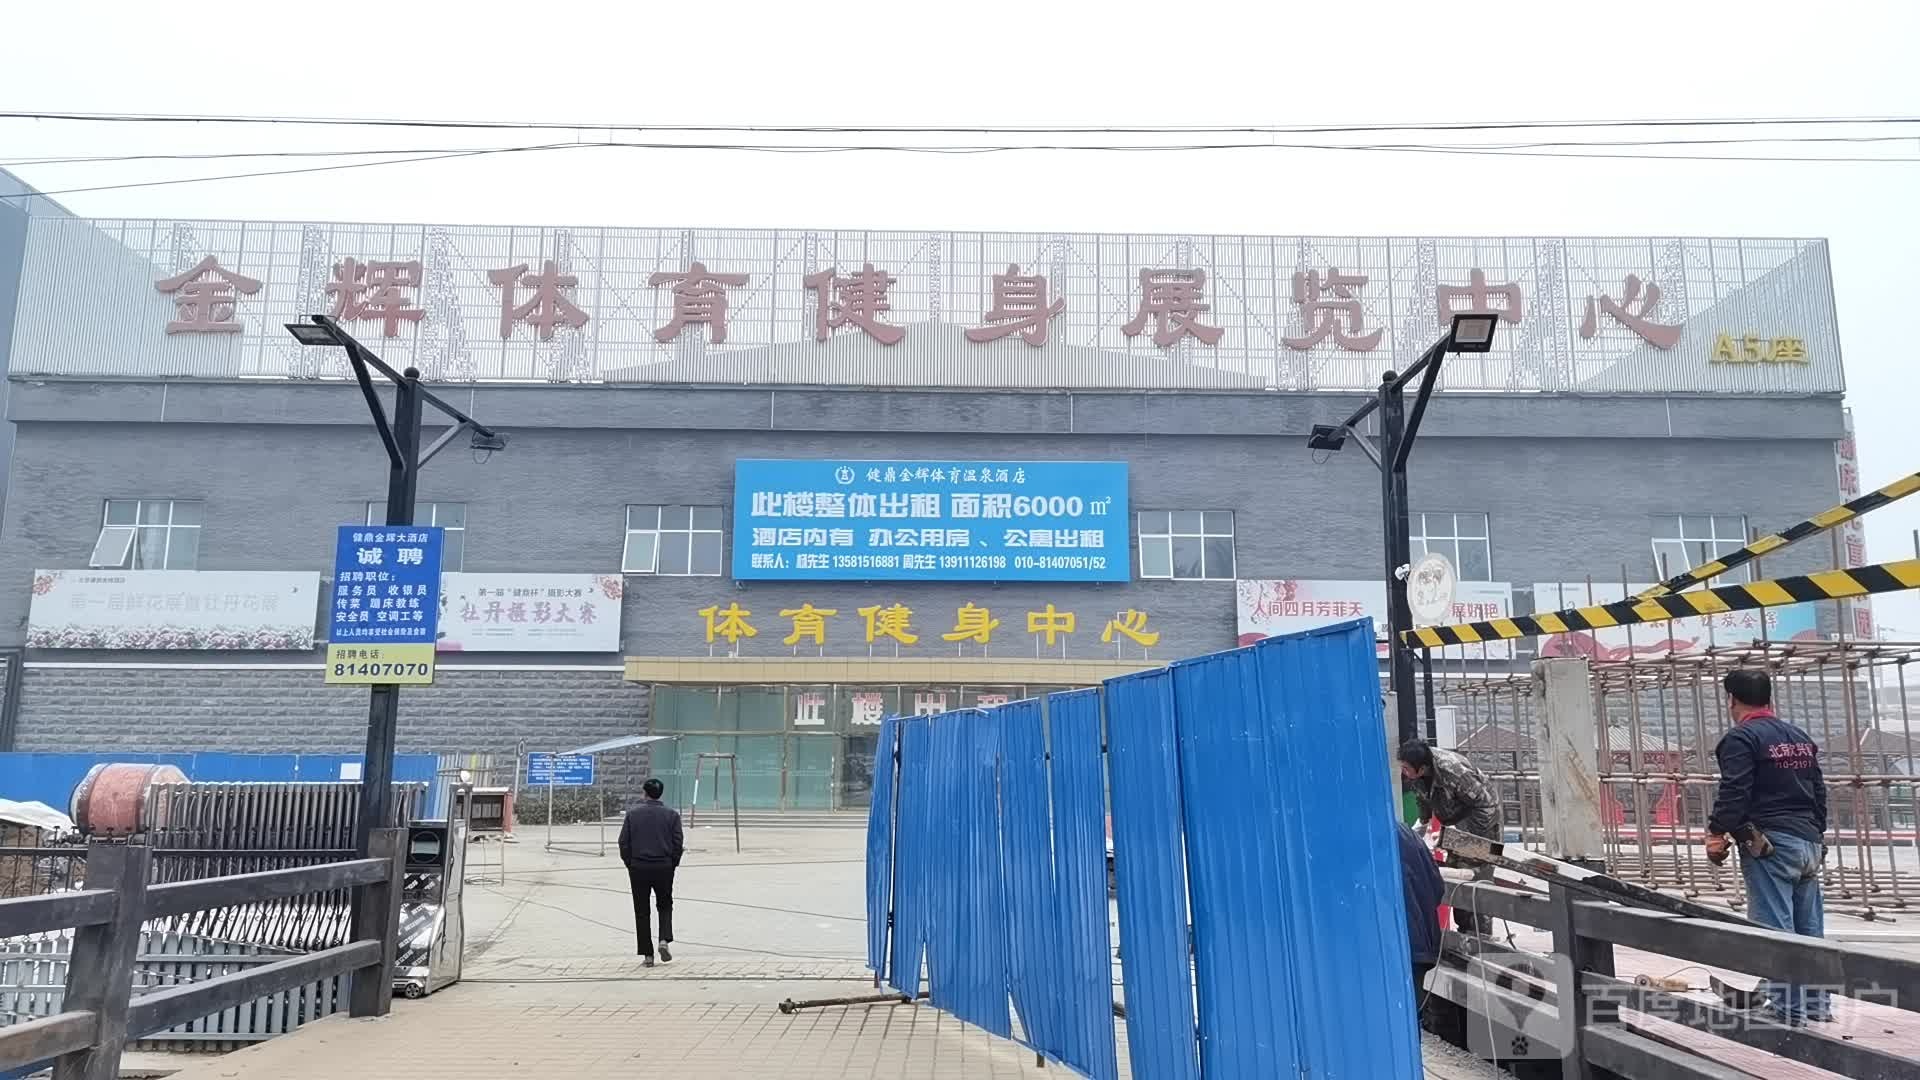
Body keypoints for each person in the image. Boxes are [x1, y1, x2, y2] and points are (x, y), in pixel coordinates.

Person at [1707, 669, 1830, 1023]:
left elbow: (1735, 791)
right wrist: (1816, 834)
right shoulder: (1799, 737)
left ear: (1731, 699)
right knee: (1809, 931)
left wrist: (1716, 832)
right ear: (1768, 698)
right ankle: (1816, 1007)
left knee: (1774, 931)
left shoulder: (1742, 739)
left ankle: (1785, 1010)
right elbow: (1819, 792)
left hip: (1772, 846)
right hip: (1808, 843)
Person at [1399, 740, 1502, 935]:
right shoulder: (1417, 774)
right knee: (1456, 874)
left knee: (1476, 876)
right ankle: (1465, 933)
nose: (1403, 772)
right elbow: (1423, 799)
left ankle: (1481, 936)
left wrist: (1470, 842)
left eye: (1406, 768)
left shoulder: (1454, 771)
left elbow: (1485, 804)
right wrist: (1420, 829)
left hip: (1480, 820)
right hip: (1456, 819)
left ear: (1422, 768)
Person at [618, 778, 685, 967]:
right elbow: (677, 842)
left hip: (639, 867)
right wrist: (673, 863)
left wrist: (630, 863)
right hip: (663, 866)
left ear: (644, 794)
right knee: (665, 904)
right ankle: (664, 939)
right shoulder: (672, 815)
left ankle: (647, 955)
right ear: (661, 794)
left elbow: (623, 842)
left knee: (641, 910)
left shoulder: (633, 815)